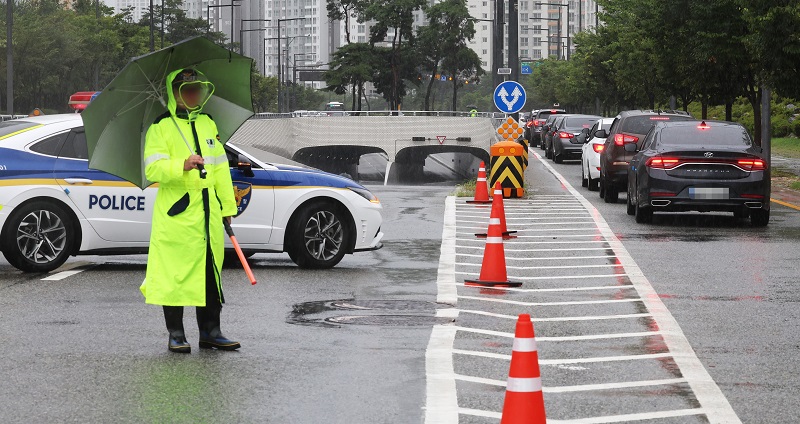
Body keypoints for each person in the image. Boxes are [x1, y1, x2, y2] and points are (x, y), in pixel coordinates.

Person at [141, 68, 240, 353]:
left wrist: (226, 206)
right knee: (175, 274)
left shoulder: (209, 123)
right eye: (187, 90)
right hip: (178, 215)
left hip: (209, 213)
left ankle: (211, 331)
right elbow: (152, 168)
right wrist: (181, 165)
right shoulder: (161, 126)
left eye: (197, 89)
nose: (193, 94)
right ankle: (176, 334)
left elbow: (221, 170)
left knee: (210, 274)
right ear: (174, 94)